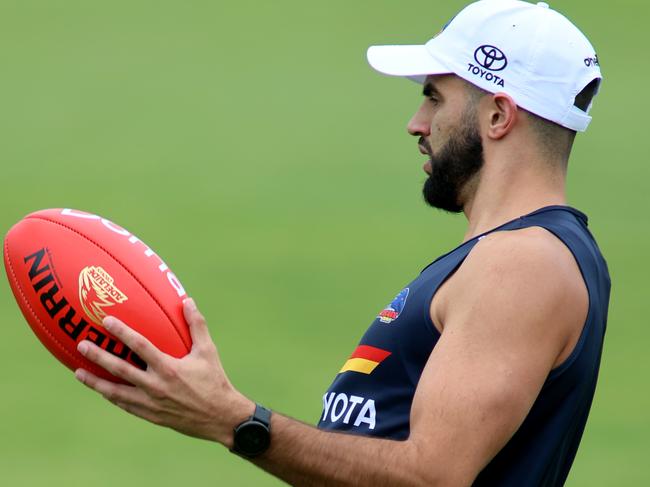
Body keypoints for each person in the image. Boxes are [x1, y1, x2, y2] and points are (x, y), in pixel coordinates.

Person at [73, 0, 611, 485]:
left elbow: (434, 477)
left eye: (433, 97)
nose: (415, 123)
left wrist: (235, 420)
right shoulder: (509, 255)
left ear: (498, 116)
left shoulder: (522, 264)